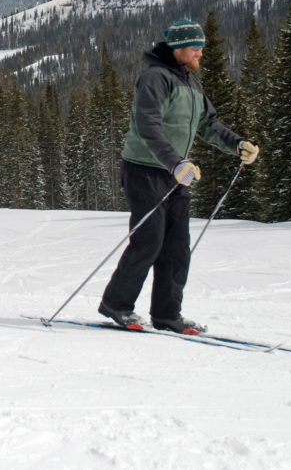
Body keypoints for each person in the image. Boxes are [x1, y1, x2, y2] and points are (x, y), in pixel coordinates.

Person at [98, 19, 259, 332]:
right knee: (149, 240)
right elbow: (148, 126)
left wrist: (238, 144)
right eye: (195, 46)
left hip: (175, 173)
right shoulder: (155, 77)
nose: (201, 52)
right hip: (145, 169)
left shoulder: (190, 82)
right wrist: (174, 163)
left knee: (177, 247)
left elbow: (208, 125)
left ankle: (167, 314)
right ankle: (116, 304)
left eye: (202, 46)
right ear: (177, 48)